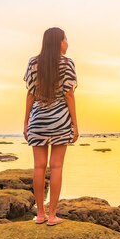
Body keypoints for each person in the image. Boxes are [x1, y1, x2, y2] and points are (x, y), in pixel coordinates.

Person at [23, 27, 78, 226]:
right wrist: (75, 123)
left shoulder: (33, 63)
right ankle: (52, 215)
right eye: (65, 39)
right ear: (58, 42)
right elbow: (69, 94)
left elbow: (30, 93)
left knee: (38, 167)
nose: (67, 43)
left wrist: (26, 121)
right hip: (60, 119)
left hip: (38, 119)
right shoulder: (67, 63)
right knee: (56, 167)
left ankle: (40, 214)